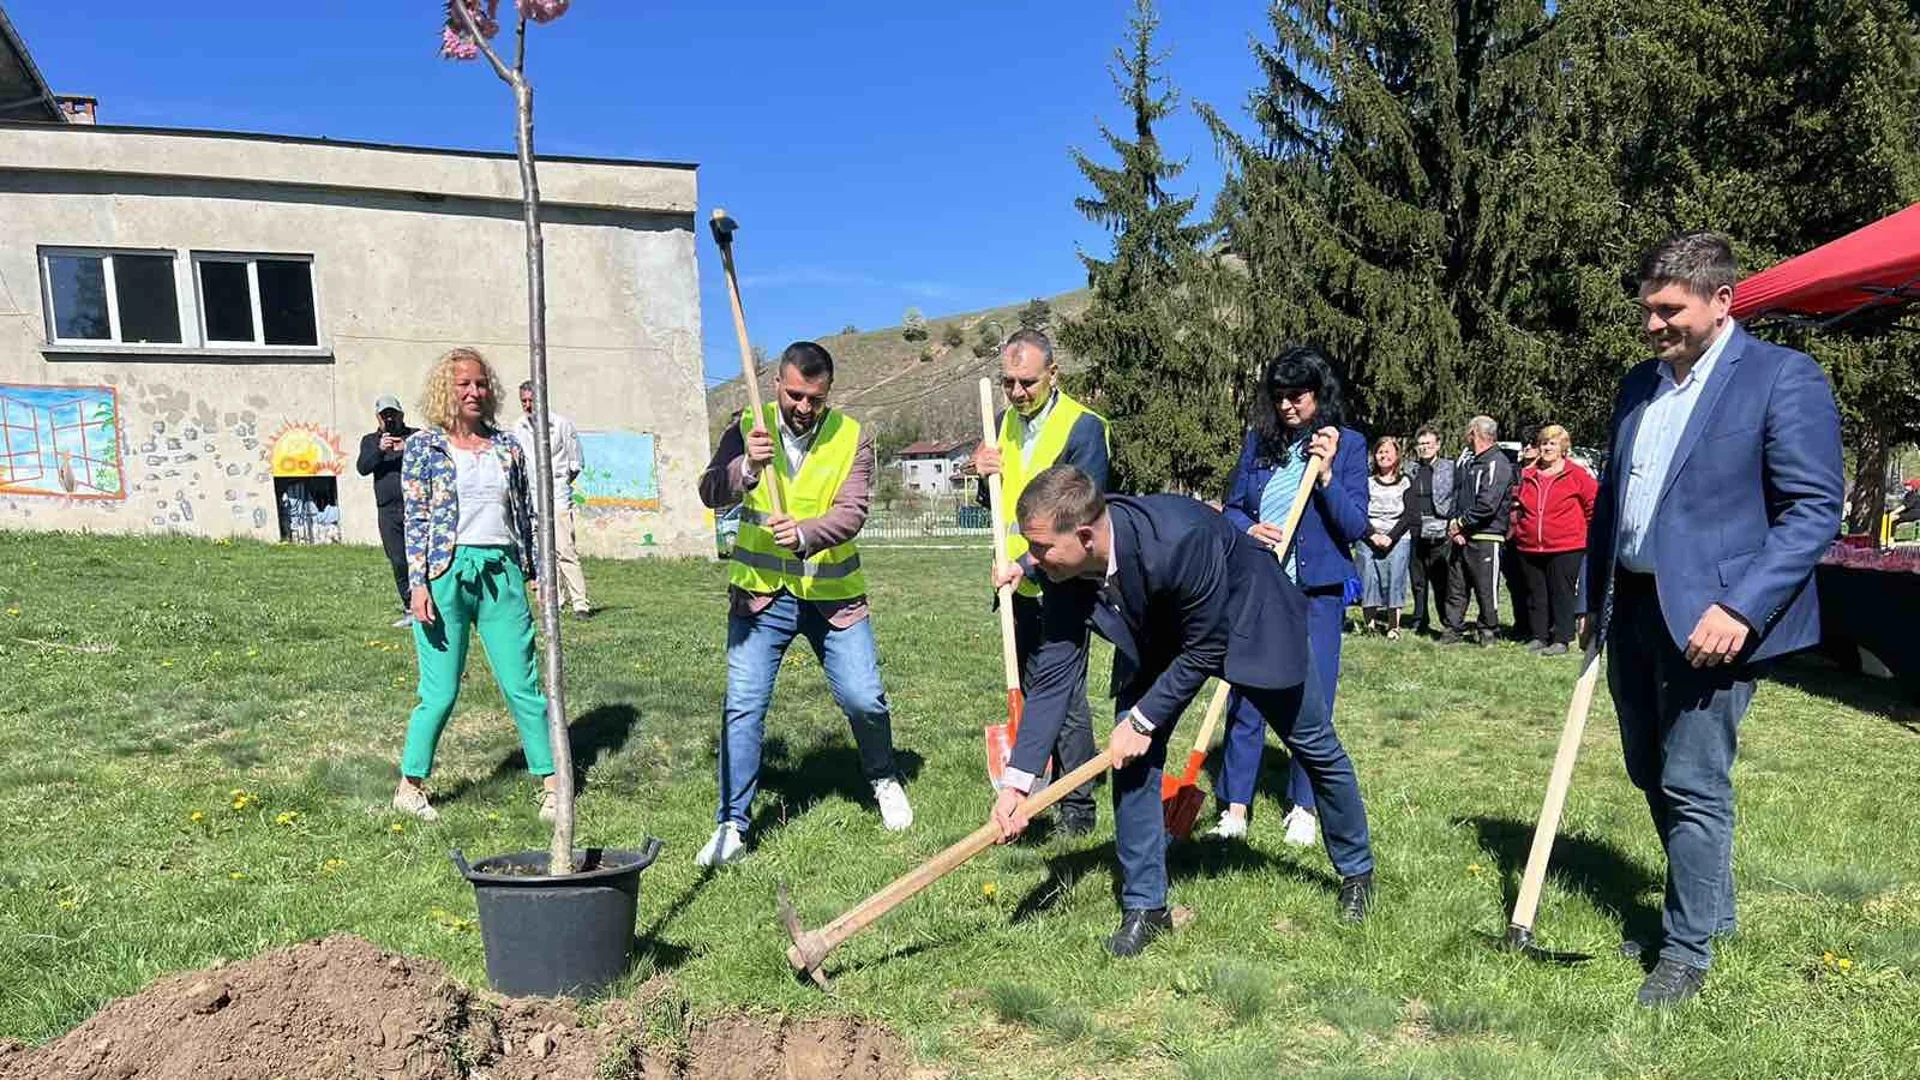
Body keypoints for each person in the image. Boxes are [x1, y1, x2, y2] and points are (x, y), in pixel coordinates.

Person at [1584, 232, 1841, 1007]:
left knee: (1693, 779)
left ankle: (1686, 952)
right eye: (1646, 311)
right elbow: (1617, 499)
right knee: (1647, 767)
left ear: (1722, 299)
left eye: (1670, 310)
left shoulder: (1780, 379)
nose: (1654, 325)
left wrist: (1742, 606)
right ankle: (1709, 911)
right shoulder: (1639, 385)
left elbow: (1813, 508)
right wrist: (1591, 602)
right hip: (1631, 606)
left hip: (1716, 618)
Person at [988, 466, 1375, 955]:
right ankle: (1145, 907)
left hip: (1249, 618)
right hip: (1162, 636)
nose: (1032, 560)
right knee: (1131, 760)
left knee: (1314, 745)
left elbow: (1207, 644)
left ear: (1085, 535)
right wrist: (1018, 783)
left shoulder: (1178, 539)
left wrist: (1144, 720)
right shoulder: (1063, 568)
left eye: (1039, 548)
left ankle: (1357, 872)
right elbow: (1055, 677)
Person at [694, 341, 913, 867]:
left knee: (864, 698)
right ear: (777, 385)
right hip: (760, 600)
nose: (804, 407)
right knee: (743, 704)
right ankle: (732, 824)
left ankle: (883, 777)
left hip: (832, 597)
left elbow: (853, 510)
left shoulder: (851, 437)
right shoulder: (748, 423)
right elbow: (709, 491)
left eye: (815, 398)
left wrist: (809, 532)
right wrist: (745, 468)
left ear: (827, 393)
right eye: (795, 395)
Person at [392, 348, 558, 824]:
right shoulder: (424, 447)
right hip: (445, 575)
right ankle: (409, 786)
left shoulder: (507, 447)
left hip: (501, 570)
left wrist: (538, 575)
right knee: (439, 690)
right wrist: (418, 584)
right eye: (464, 384)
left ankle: (551, 784)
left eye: (481, 384)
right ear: (447, 389)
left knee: (522, 684)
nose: (474, 392)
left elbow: (527, 515)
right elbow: (415, 518)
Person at [1212, 346, 1369, 847]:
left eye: (1297, 397)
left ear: (1319, 395)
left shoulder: (1348, 447)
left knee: (1313, 697)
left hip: (1317, 592)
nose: (1287, 406)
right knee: (1245, 696)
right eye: (1278, 397)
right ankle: (1235, 807)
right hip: (1262, 587)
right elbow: (1233, 508)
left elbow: (1356, 524)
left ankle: (1304, 805)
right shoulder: (1260, 443)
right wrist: (1248, 528)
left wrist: (1324, 477)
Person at [971, 328, 1110, 835]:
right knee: (1032, 694)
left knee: (1064, 698)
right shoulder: (1004, 425)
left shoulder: (1084, 428)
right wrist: (982, 473)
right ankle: (1036, 790)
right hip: (1015, 586)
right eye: (1008, 382)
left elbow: (1080, 519)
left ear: (1054, 374)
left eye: (1027, 382)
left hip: (1064, 581)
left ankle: (1078, 812)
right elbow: (1002, 506)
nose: (1017, 392)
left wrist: (1028, 564)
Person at [1510, 423, 1597, 655]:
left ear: (1563, 447)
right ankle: (1539, 635)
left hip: (1566, 546)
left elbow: (1593, 507)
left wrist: (1587, 536)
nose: (1547, 447)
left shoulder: (1577, 475)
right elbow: (1518, 507)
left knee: (1561, 592)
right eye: (1544, 443)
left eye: (1552, 443)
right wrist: (1520, 529)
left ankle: (1561, 638)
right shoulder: (1527, 475)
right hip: (1529, 544)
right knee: (1535, 593)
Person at [512, 381, 591, 618]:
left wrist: (560, 483)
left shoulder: (561, 425)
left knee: (564, 548)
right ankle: (555, 600)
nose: (528, 406)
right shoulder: (519, 427)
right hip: (533, 498)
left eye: (531, 401)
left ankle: (581, 603)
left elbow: (575, 464)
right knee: (543, 551)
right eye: (524, 401)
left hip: (557, 495)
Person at [1441, 416, 1515, 645]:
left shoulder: (1497, 463)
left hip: (1486, 536)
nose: (1465, 435)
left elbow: (1488, 504)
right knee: (1456, 586)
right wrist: (1455, 525)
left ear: (1475, 432)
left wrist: (1462, 523)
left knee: (1485, 588)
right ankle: (1453, 628)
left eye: (1468, 431)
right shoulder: (1468, 461)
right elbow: (1457, 495)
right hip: (1462, 536)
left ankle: (1488, 630)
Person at [358, 395, 418, 627]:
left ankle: (431, 603)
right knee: (398, 559)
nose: (390, 418)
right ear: (378, 418)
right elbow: (363, 468)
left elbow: (434, 454)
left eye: (393, 413)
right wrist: (380, 450)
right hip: (388, 510)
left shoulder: (415, 436)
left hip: (416, 507)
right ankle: (410, 607)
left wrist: (409, 447)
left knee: (421, 557)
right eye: (385, 415)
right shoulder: (370, 441)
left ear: (402, 414)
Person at [1355, 436, 1418, 638]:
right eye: (1380, 452)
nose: (1383, 455)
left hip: (1398, 537)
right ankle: (1370, 625)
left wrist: (1391, 537)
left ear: (1397, 455)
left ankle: (1393, 626)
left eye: (1388, 451)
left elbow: (1410, 515)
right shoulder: (1366, 483)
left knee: (1396, 579)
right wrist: (1373, 535)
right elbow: (1358, 512)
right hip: (1368, 537)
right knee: (1368, 579)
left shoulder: (1407, 481)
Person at [1407, 427, 1455, 635]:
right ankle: (1419, 619)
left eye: (1429, 443)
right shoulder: (1411, 469)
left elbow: (1456, 496)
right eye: (1421, 444)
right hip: (1415, 530)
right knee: (1418, 579)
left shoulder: (1449, 468)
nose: (1425, 447)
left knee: (1440, 579)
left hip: (1440, 530)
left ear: (1437, 445)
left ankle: (1447, 620)